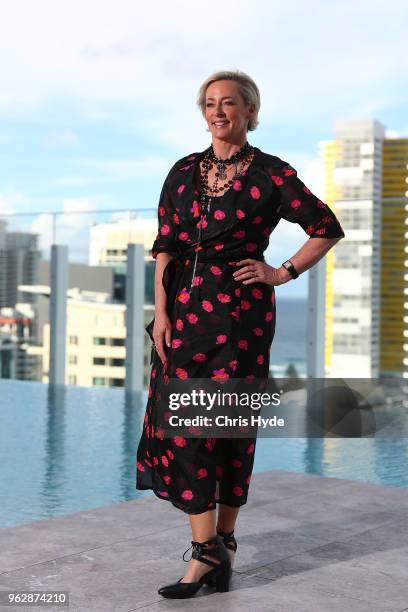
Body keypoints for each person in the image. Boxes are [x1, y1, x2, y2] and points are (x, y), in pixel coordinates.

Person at [136, 69, 345, 599]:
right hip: (183, 311)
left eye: (229, 103)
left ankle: (218, 548)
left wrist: (281, 272)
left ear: (251, 111)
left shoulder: (273, 175)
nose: (218, 112)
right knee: (182, 426)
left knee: (227, 427)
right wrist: (160, 313)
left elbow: (325, 227)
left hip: (241, 317)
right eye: (210, 103)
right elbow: (166, 245)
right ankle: (209, 552)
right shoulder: (182, 171)